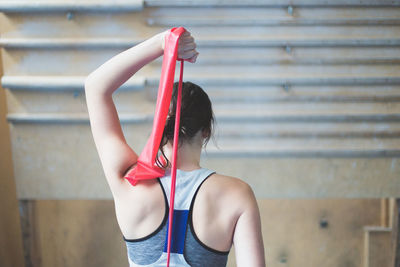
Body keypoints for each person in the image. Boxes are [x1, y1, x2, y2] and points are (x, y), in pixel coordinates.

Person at [84, 29, 266, 267]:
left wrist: (162, 44)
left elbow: (94, 86)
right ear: (206, 131)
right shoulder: (237, 195)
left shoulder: (129, 181)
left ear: (160, 123)